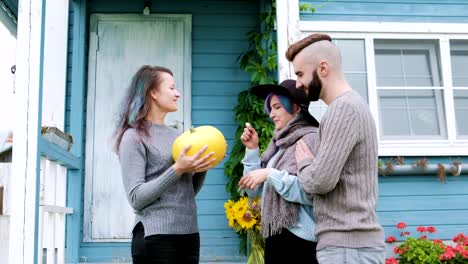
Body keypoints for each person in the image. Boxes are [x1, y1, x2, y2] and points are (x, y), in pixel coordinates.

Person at [285, 33, 385, 263]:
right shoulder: (350, 106)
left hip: (348, 248)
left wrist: (305, 163)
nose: (298, 83)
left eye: (300, 74)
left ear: (322, 68)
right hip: (350, 246)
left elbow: (320, 181)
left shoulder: (343, 109)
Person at [114, 65, 216, 264]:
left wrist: (201, 169)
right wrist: (178, 168)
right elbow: (136, 198)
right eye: (171, 88)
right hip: (155, 238)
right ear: (152, 92)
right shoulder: (133, 136)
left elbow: (185, 192)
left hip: (189, 234)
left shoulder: (178, 136)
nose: (177, 94)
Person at [238, 79, 320, 264]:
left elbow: (310, 191)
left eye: (277, 107)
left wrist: (269, 174)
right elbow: (253, 190)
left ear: (296, 108)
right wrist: (252, 150)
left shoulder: (311, 139)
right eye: (270, 109)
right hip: (276, 234)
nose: (272, 114)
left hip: (301, 239)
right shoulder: (278, 144)